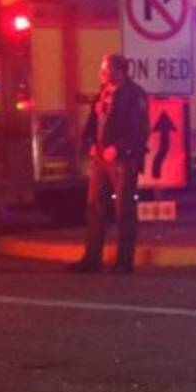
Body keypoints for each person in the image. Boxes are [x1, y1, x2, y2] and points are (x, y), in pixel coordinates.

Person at [67, 53, 150, 274]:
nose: (101, 74)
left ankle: (124, 262)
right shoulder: (103, 94)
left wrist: (119, 148)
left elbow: (139, 130)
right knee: (95, 208)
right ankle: (91, 259)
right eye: (102, 70)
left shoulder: (134, 96)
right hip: (101, 159)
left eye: (105, 71)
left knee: (124, 210)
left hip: (123, 161)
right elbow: (93, 124)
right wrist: (91, 144)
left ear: (120, 72)